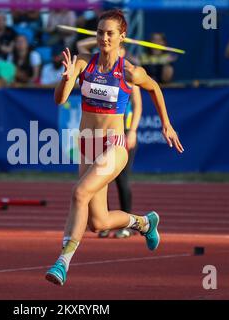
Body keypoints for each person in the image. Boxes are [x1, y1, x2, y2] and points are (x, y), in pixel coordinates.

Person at [45, 9, 183, 286]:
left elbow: (155, 88)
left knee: (79, 193)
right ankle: (143, 223)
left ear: (122, 37)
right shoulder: (83, 62)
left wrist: (166, 124)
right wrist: (65, 78)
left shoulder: (130, 71)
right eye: (99, 32)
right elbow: (59, 101)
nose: (104, 38)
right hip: (87, 145)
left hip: (114, 146)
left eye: (110, 33)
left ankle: (63, 261)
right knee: (98, 222)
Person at [77, 37, 142, 239]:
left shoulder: (128, 72)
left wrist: (132, 132)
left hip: (123, 134)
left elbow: (138, 106)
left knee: (121, 180)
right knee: (99, 183)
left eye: (120, 49)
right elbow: (80, 47)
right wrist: (97, 36)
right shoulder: (97, 69)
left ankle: (128, 224)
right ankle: (104, 221)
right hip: (100, 137)